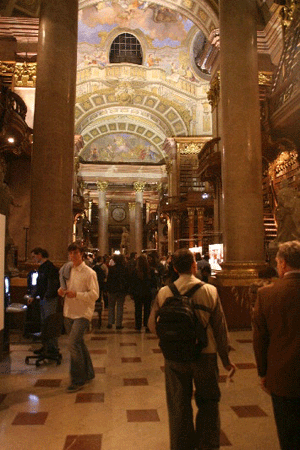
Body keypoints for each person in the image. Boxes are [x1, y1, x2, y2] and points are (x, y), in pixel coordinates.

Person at [148, 248, 235, 450]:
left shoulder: (164, 292)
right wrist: (225, 359)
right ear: (194, 266)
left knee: (178, 406)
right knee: (209, 403)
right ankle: (208, 444)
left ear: (175, 269)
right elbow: (221, 329)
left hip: (175, 358)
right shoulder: (209, 291)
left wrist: (171, 338)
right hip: (205, 355)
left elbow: (152, 325)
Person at [252, 240, 300, 450]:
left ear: (282, 264)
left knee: (288, 434)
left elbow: (260, 339)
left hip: (282, 377)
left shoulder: (267, 294)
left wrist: (263, 373)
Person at [58, 243, 99, 393]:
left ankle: (78, 379)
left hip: (83, 313)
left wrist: (77, 295)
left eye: (75, 253)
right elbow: (64, 287)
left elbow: (95, 295)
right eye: (70, 253)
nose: (72, 256)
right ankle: (88, 373)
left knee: (72, 345)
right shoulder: (67, 270)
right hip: (69, 311)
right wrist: (61, 291)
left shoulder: (89, 273)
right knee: (79, 344)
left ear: (81, 254)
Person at [29, 248, 61, 355]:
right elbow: (40, 284)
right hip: (44, 298)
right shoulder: (43, 267)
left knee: (50, 323)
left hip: (49, 299)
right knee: (44, 324)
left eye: (34, 256)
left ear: (40, 255)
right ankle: (46, 346)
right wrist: (34, 296)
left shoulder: (50, 267)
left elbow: (51, 284)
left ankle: (53, 348)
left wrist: (47, 295)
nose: (33, 259)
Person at [129, 254, 155, 332]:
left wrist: (132, 293)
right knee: (147, 309)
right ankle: (147, 325)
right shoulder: (151, 270)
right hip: (147, 292)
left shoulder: (135, 271)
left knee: (138, 309)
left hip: (138, 293)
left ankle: (138, 325)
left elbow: (132, 283)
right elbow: (154, 283)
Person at [106, 254, 129, 329]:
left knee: (111, 306)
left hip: (112, 290)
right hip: (121, 290)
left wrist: (107, 289)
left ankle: (110, 322)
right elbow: (126, 280)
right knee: (120, 307)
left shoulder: (111, 269)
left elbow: (108, 280)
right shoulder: (125, 269)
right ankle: (118, 324)